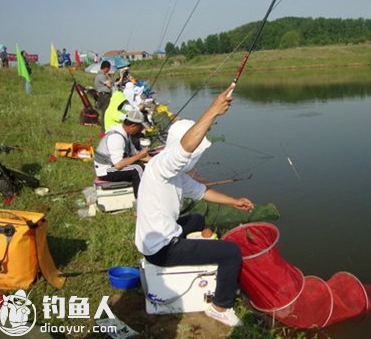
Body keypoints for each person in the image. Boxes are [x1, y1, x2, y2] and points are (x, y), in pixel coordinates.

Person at [135, 86, 254, 327]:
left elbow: (202, 192)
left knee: (197, 219)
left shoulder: (174, 173)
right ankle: (221, 306)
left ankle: (201, 248)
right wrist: (212, 110)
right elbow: (183, 151)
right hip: (162, 249)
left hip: (158, 236)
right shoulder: (163, 166)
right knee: (230, 252)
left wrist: (235, 201)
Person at [94, 110, 151, 197]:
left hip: (113, 165)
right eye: (140, 128)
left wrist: (154, 159)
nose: (141, 130)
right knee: (137, 168)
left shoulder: (126, 134)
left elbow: (135, 154)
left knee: (146, 165)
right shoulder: (116, 137)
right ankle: (141, 200)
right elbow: (118, 165)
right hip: (105, 170)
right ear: (133, 126)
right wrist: (140, 155)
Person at [94, 60, 113, 132]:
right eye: (109, 68)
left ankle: (105, 128)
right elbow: (109, 85)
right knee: (105, 112)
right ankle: (104, 129)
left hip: (103, 95)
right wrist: (108, 77)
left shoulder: (100, 75)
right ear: (106, 68)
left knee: (105, 112)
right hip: (104, 96)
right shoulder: (101, 76)